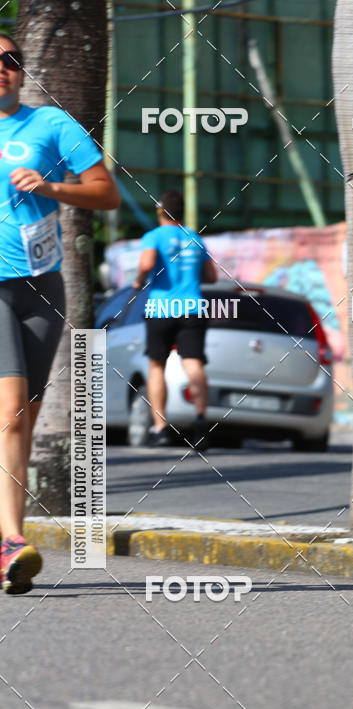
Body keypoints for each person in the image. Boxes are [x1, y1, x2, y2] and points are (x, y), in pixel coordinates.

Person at [0, 33, 120, 595]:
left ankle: (7, 544)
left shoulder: (50, 125)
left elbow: (106, 192)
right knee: (9, 414)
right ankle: (10, 540)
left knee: (23, 413)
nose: (1, 68)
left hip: (42, 285)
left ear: (22, 71)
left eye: (10, 60)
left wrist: (51, 186)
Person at [133, 189, 217, 450]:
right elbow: (212, 277)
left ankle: (161, 429)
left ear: (161, 212)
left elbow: (147, 264)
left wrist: (138, 281)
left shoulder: (154, 236)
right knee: (193, 364)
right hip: (192, 307)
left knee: (157, 366)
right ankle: (201, 421)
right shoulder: (195, 238)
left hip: (161, 308)